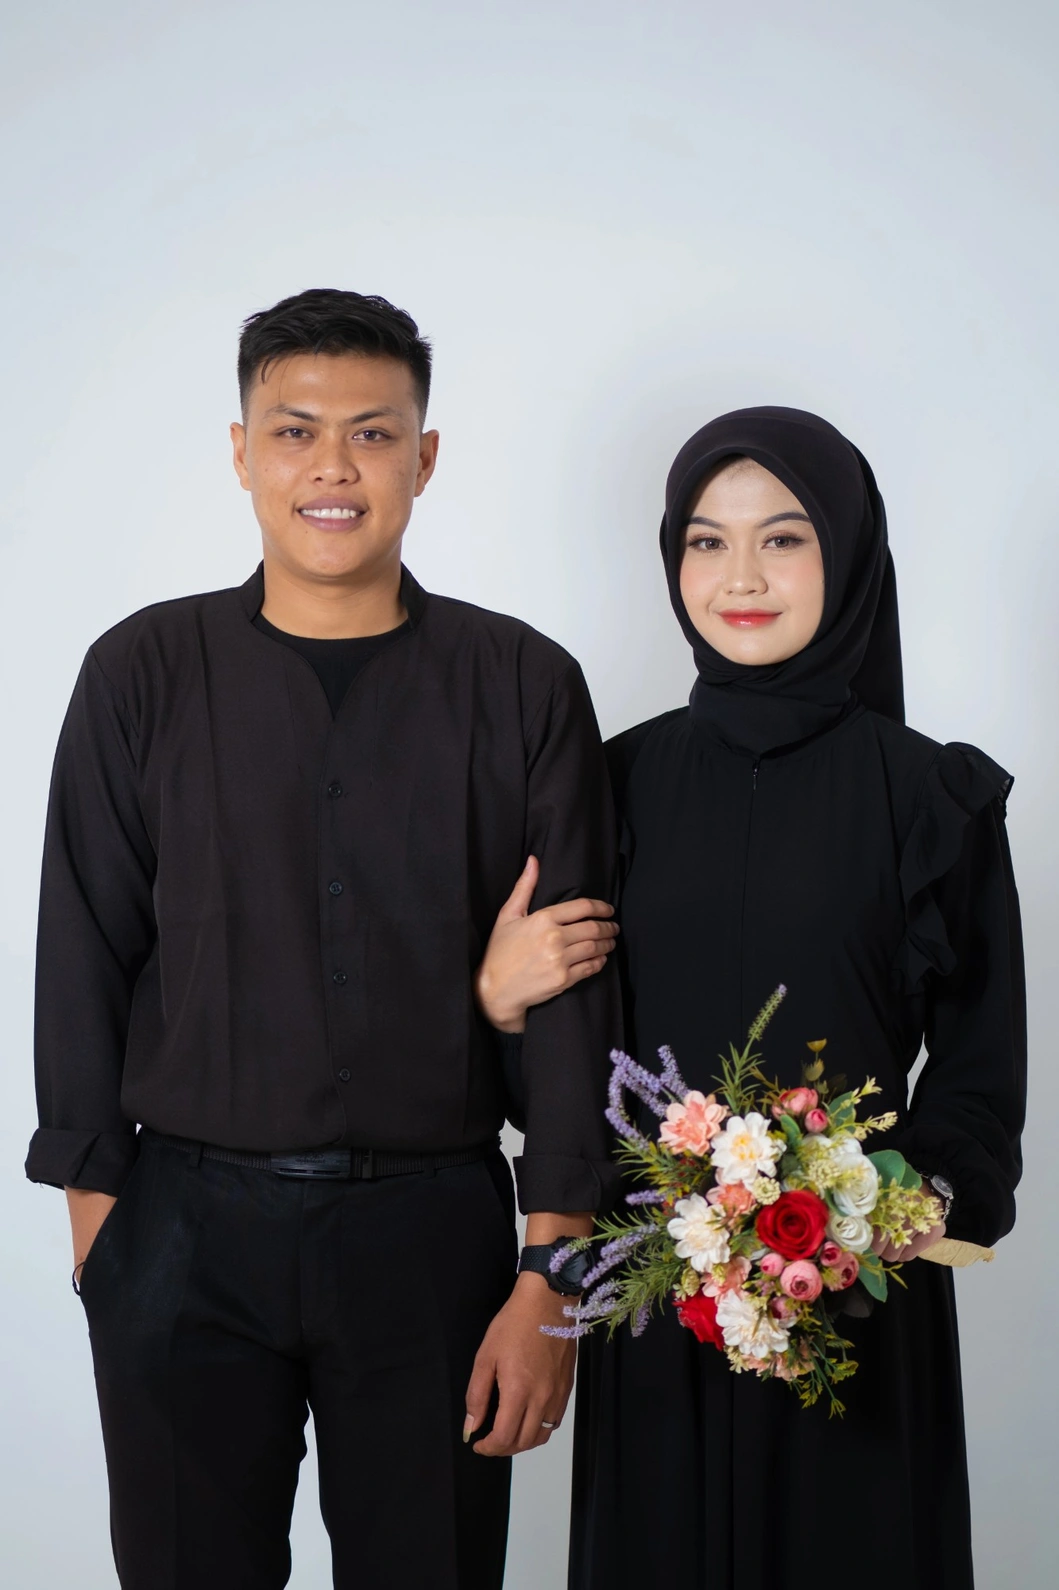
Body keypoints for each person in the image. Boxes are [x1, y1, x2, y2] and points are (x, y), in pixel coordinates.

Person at [25, 287, 624, 1590]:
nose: (332, 468)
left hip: (434, 1237)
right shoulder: (140, 673)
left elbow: (576, 998)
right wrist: (105, 1243)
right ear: (242, 452)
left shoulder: (524, 686)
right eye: (295, 432)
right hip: (181, 1234)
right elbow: (82, 955)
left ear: (425, 456)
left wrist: (552, 1280)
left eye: (372, 433)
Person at [475, 407, 1026, 1590]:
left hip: (856, 1300)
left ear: (849, 553)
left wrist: (907, 1204)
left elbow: (983, 1071)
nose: (740, 577)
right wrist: (505, 1005)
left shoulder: (931, 797)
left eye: (783, 538)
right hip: (658, 1299)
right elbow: (564, 1082)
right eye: (706, 541)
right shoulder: (610, 785)